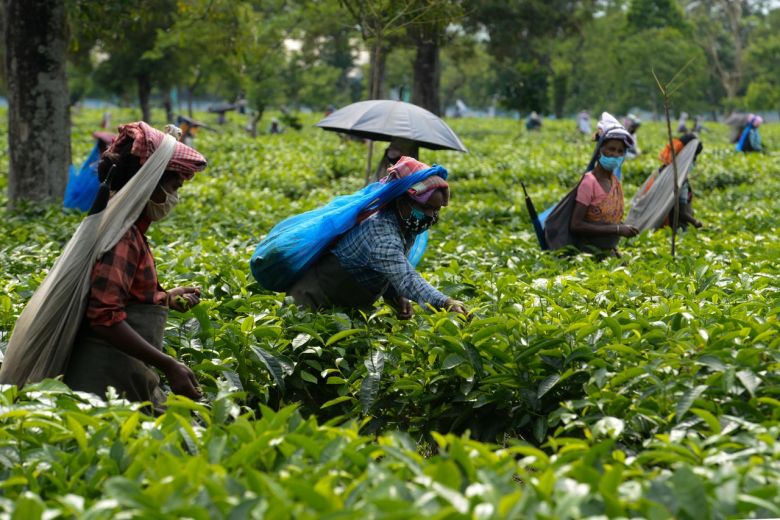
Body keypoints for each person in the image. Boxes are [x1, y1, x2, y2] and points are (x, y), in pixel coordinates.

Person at [62, 122, 207, 411]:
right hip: (105, 378)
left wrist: (165, 297)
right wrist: (169, 365)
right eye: (174, 187)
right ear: (149, 184)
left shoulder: (123, 227)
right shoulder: (123, 237)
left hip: (119, 371)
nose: (174, 198)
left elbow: (122, 298)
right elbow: (104, 316)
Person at [289, 156, 468, 319]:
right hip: (310, 305)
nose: (432, 216)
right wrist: (445, 302)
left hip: (343, 311)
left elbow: (384, 268)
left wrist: (396, 296)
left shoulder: (403, 226)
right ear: (402, 201)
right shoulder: (380, 233)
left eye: (436, 210)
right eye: (426, 208)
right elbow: (406, 278)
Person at [570, 125, 639, 256]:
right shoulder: (589, 182)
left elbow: (608, 220)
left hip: (609, 251)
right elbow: (576, 225)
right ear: (600, 150)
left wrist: (622, 230)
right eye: (611, 149)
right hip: (589, 254)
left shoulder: (615, 182)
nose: (615, 154)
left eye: (620, 151)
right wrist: (617, 229)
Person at [657, 133, 703, 229]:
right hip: (672, 226)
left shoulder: (664, 170)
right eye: (693, 158)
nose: (694, 162)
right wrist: (696, 222)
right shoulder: (679, 180)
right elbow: (681, 213)